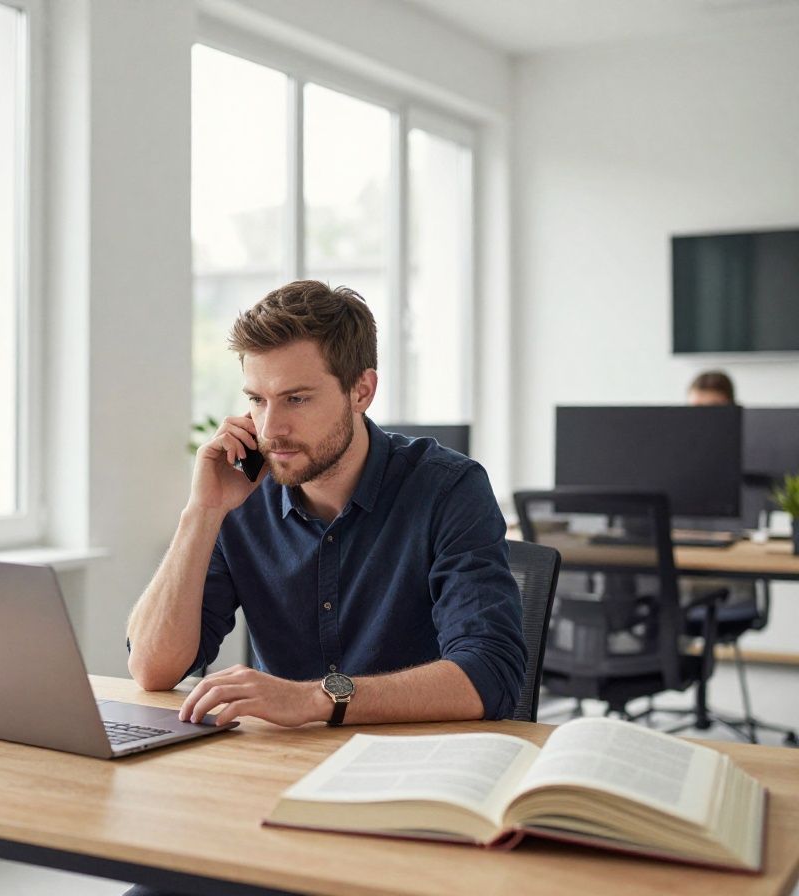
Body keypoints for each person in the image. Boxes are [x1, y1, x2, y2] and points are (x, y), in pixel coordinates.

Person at [125, 280, 526, 730]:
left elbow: (491, 675)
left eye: (296, 398)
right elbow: (152, 670)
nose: (270, 429)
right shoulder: (242, 496)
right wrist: (202, 511)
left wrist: (316, 699)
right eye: (257, 400)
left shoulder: (448, 489)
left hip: (417, 766)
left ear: (361, 391)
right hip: (284, 766)